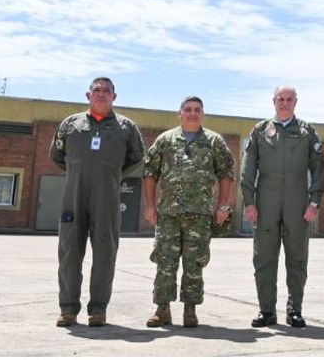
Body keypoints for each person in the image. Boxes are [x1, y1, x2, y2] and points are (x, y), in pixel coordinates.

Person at [50, 76, 145, 327]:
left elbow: (136, 158)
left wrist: (111, 173)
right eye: (96, 90)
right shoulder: (70, 124)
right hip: (74, 197)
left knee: (105, 253)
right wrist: (76, 171)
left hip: (107, 198)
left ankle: (98, 309)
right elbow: (57, 155)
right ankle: (68, 309)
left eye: (106, 91)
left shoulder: (126, 127)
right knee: (69, 253)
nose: (101, 94)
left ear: (114, 96)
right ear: (88, 95)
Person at [141, 96, 235, 328]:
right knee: (165, 261)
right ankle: (162, 309)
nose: (192, 113)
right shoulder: (166, 140)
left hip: (200, 214)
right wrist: (150, 206)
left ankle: (190, 310)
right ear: (180, 113)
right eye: (188, 109)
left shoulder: (214, 141)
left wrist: (223, 206)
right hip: (169, 214)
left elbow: (226, 174)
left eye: (197, 110)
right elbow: (150, 172)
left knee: (194, 264)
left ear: (202, 113)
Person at [240, 85, 324, 328]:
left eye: (289, 99)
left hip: (298, 204)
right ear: (274, 101)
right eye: (281, 99)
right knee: (264, 259)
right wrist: (248, 202)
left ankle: (294, 310)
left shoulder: (307, 131)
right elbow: (248, 169)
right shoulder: (260, 130)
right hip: (266, 203)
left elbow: (319, 169)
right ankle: (266, 311)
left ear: (296, 102)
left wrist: (314, 202)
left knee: (297, 259)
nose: (285, 103)